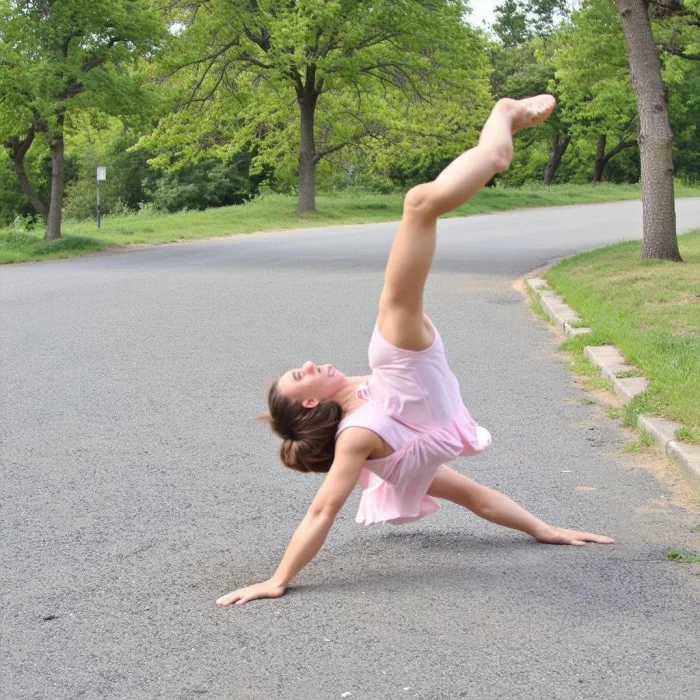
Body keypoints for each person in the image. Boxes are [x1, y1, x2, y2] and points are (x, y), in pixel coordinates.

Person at [216, 95, 614, 607]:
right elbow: (322, 511)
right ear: (310, 400)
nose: (310, 363)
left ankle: (500, 135)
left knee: (421, 205)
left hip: (415, 384)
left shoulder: (369, 423)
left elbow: (477, 499)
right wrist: (276, 580)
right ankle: (502, 119)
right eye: (301, 374)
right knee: (420, 204)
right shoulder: (358, 435)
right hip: (403, 356)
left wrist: (545, 530)